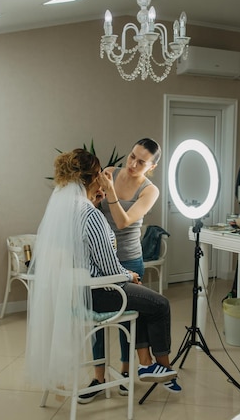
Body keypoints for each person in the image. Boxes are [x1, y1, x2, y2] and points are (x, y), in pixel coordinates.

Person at [25, 148, 178, 400]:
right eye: (98, 174)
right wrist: (129, 275)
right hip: (104, 292)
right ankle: (161, 366)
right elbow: (108, 268)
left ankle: (149, 364)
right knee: (159, 304)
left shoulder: (65, 212)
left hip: (79, 293)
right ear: (91, 178)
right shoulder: (91, 215)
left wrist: (126, 274)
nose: (102, 178)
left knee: (145, 301)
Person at [85, 138, 178, 401]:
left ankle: (126, 373)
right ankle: (98, 377)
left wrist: (111, 193)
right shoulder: (110, 173)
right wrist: (98, 198)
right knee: (99, 322)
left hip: (129, 262)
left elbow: (123, 222)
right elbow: (91, 212)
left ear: (152, 166)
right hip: (100, 260)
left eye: (141, 162)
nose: (133, 164)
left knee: (128, 320)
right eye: (132, 156)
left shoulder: (150, 191)